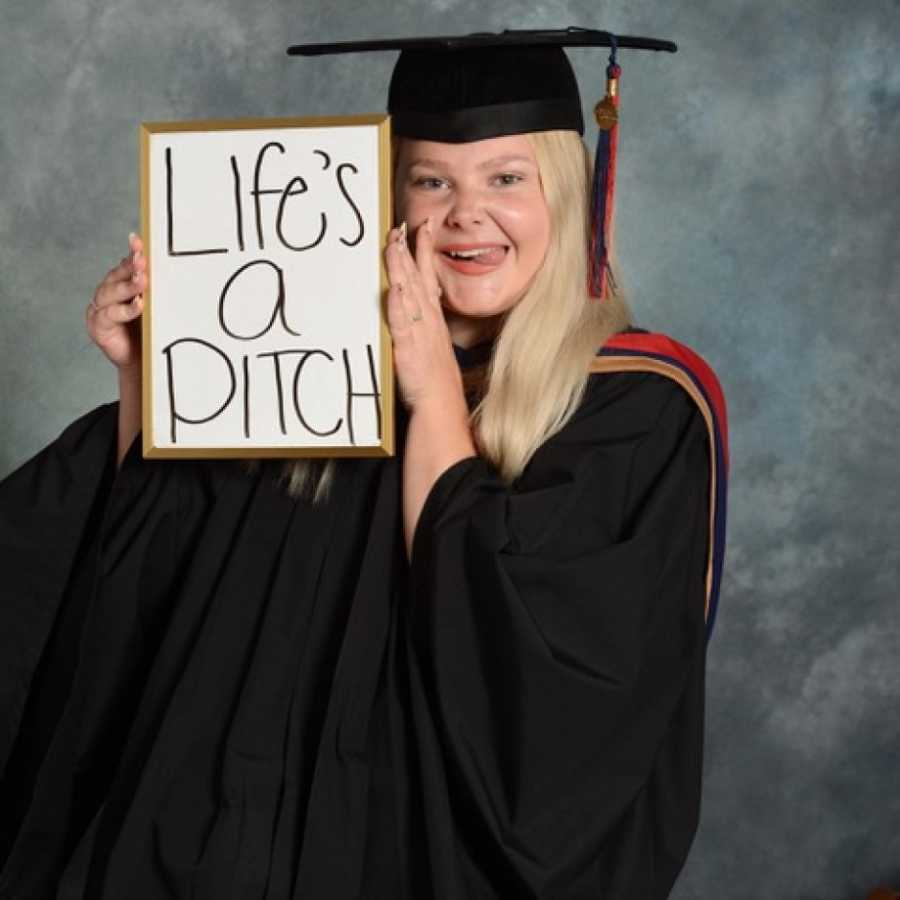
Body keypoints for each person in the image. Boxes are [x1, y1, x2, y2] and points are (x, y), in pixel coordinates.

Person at [0, 28, 728, 899]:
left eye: (506, 178)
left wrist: (434, 397)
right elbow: (146, 580)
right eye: (431, 180)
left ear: (568, 197)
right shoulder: (307, 375)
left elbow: (549, 701)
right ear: (389, 197)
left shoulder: (633, 408)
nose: (465, 213)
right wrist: (148, 381)